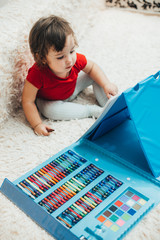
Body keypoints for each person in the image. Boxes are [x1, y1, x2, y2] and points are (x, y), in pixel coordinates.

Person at [22, 15, 118, 136]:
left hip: (72, 88)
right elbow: (28, 101)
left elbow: (92, 67)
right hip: (51, 100)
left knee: (94, 74)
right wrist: (37, 124)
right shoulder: (36, 73)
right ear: (42, 58)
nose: (69, 60)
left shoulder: (74, 60)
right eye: (60, 57)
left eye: (72, 51)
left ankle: (109, 103)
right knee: (48, 111)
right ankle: (94, 111)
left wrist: (106, 84)